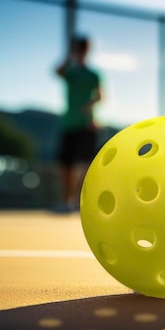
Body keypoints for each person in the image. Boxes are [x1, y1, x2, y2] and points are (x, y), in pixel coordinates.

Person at [54, 36, 102, 212]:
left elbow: (100, 96)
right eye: (76, 49)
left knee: (87, 166)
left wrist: (89, 106)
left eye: (81, 49)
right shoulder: (71, 72)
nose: (79, 52)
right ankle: (65, 202)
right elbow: (57, 71)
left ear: (87, 51)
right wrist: (69, 56)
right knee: (66, 166)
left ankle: (78, 201)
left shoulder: (93, 74)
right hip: (69, 124)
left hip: (87, 125)